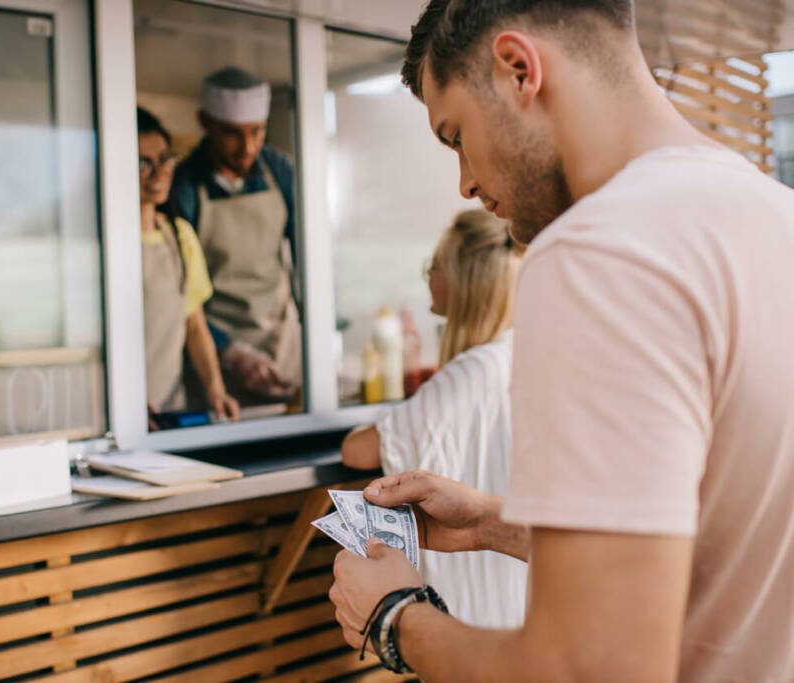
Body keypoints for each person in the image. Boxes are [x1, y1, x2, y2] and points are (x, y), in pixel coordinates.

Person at [328, 2, 794, 681]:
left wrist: (394, 615)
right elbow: (722, 547)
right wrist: (493, 522)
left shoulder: (596, 252)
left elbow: (583, 669)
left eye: (456, 135)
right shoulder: (776, 216)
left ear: (519, 69)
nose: (464, 181)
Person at [341, 209, 526, 629]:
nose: (428, 277)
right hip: (525, 604)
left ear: (461, 281)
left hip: (477, 626)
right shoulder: (525, 351)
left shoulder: (472, 372)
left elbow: (359, 450)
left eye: (434, 266)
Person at [170, 67, 301, 405]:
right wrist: (230, 351)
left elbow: (306, 259)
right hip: (216, 355)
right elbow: (181, 294)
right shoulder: (183, 186)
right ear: (205, 122)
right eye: (232, 134)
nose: (248, 147)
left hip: (280, 341)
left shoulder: (280, 172)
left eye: (257, 132)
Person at [137, 107, 239, 424]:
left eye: (165, 159)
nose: (159, 173)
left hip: (168, 409)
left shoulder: (180, 237)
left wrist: (216, 390)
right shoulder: (108, 246)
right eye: (143, 164)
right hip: (120, 412)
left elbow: (194, 325)